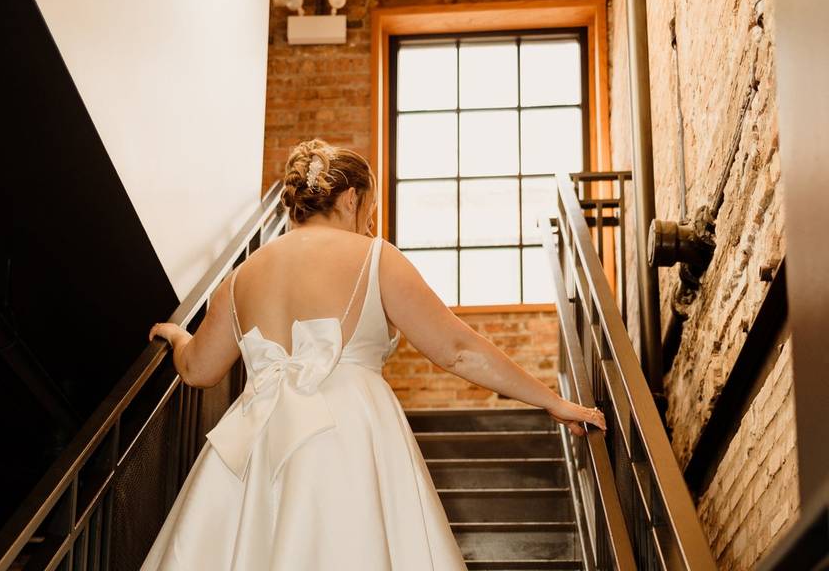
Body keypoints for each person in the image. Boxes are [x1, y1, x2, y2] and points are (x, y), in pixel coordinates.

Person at [143, 138, 606, 570]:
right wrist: (553, 400)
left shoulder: (240, 277)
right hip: (349, 432)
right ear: (349, 199)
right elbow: (458, 351)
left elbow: (198, 369)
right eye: (370, 209)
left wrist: (176, 334)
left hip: (255, 439)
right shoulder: (374, 256)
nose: (369, 221)